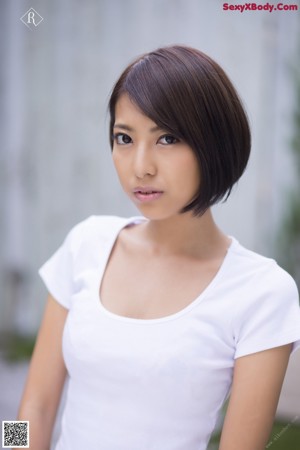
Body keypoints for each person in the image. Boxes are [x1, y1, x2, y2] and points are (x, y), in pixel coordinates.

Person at [16, 45, 300, 450]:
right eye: (124, 138)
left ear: (214, 143)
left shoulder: (261, 292)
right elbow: (34, 406)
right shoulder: (86, 244)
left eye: (167, 138)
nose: (141, 166)